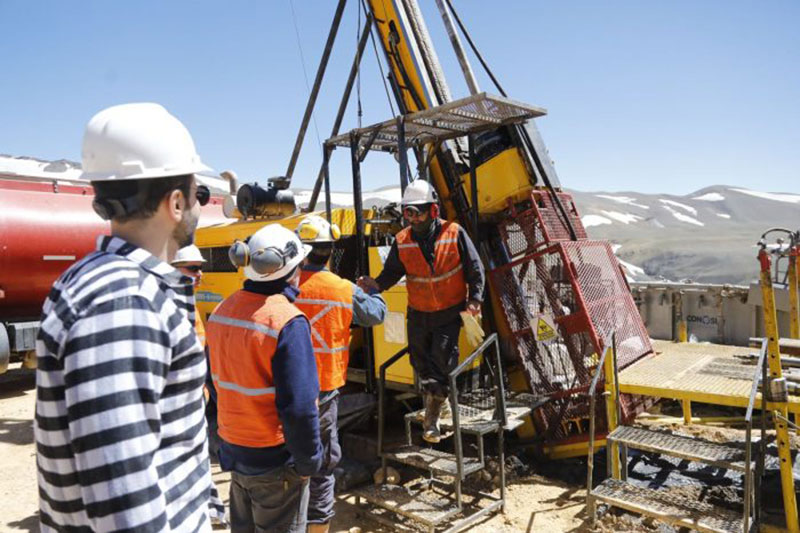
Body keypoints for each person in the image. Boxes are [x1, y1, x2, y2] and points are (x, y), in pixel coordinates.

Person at [34, 103, 224, 531]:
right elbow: (122, 501)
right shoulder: (126, 303)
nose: (198, 205)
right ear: (176, 202)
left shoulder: (107, 283)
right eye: (198, 194)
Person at [206, 224, 323, 533]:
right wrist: (309, 462)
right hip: (275, 462)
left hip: (234, 452)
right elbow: (299, 406)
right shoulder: (286, 321)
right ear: (290, 270)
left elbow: (216, 387)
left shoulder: (221, 311)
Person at [358, 180, 485, 443]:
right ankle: (440, 400)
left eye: (418, 212)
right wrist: (377, 284)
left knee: (442, 358)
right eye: (408, 213)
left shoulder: (454, 232)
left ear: (434, 211)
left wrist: (474, 299)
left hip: (448, 312)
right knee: (419, 362)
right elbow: (392, 272)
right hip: (418, 311)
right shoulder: (402, 240)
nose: (413, 219)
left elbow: (475, 268)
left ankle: (432, 418)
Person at [294, 215, 387, 533]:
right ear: (330, 251)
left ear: (300, 251)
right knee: (321, 464)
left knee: (289, 459)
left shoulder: (284, 287)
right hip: (324, 389)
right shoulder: (342, 288)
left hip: (287, 389)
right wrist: (373, 291)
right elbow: (376, 315)